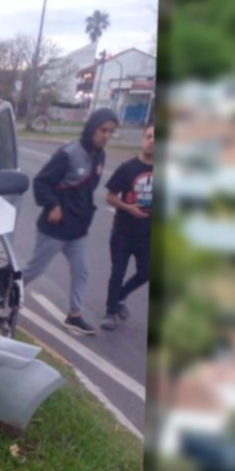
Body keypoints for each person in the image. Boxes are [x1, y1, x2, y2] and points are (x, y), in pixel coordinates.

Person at [20, 108, 119, 336]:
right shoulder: (68, 154)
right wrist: (54, 206)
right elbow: (41, 182)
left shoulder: (100, 155)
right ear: (91, 128)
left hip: (78, 230)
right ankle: (5, 292)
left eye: (111, 132)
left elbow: (86, 190)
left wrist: (81, 212)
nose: (106, 136)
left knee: (81, 270)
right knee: (34, 270)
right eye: (103, 130)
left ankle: (74, 315)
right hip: (54, 229)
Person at [101, 124, 154, 330]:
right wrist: (128, 208)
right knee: (117, 273)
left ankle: (120, 296)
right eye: (148, 136)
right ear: (142, 140)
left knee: (146, 272)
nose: (152, 141)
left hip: (148, 235)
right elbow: (110, 196)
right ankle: (110, 312)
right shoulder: (127, 168)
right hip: (124, 231)